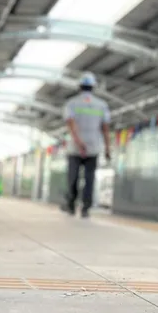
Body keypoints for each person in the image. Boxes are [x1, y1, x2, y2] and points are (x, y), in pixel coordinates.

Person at [62, 72, 112, 217]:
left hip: (75, 148)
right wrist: (108, 148)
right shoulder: (102, 105)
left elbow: (71, 125)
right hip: (94, 147)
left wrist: (78, 142)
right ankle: (85, 208)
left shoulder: (71, 103)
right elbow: (105, 129)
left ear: (79, 87)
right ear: (93, 87)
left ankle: (71, 205)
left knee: (73, 178)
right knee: (89, 179)